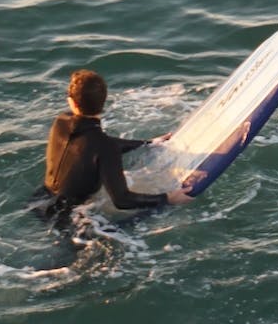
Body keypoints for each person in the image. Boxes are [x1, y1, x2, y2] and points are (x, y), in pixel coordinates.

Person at [30, 68, 193, 221]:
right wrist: (168, 198)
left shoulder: (60, 122)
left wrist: (148, 143)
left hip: (39, 203)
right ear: (103, 102)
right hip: (67, 216)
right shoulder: (105, 146)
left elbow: (93, 144)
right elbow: (122, 200)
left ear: (71, 102)